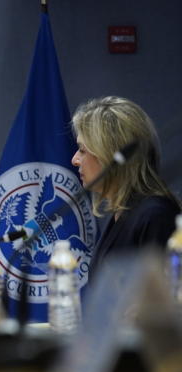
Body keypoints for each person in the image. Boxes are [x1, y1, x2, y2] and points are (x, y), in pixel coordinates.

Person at [71, 96, 181, 276]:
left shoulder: (156, 216)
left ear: (111, 155)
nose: (74, 160)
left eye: (82, 150)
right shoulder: (122, 213)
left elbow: (163, 299)